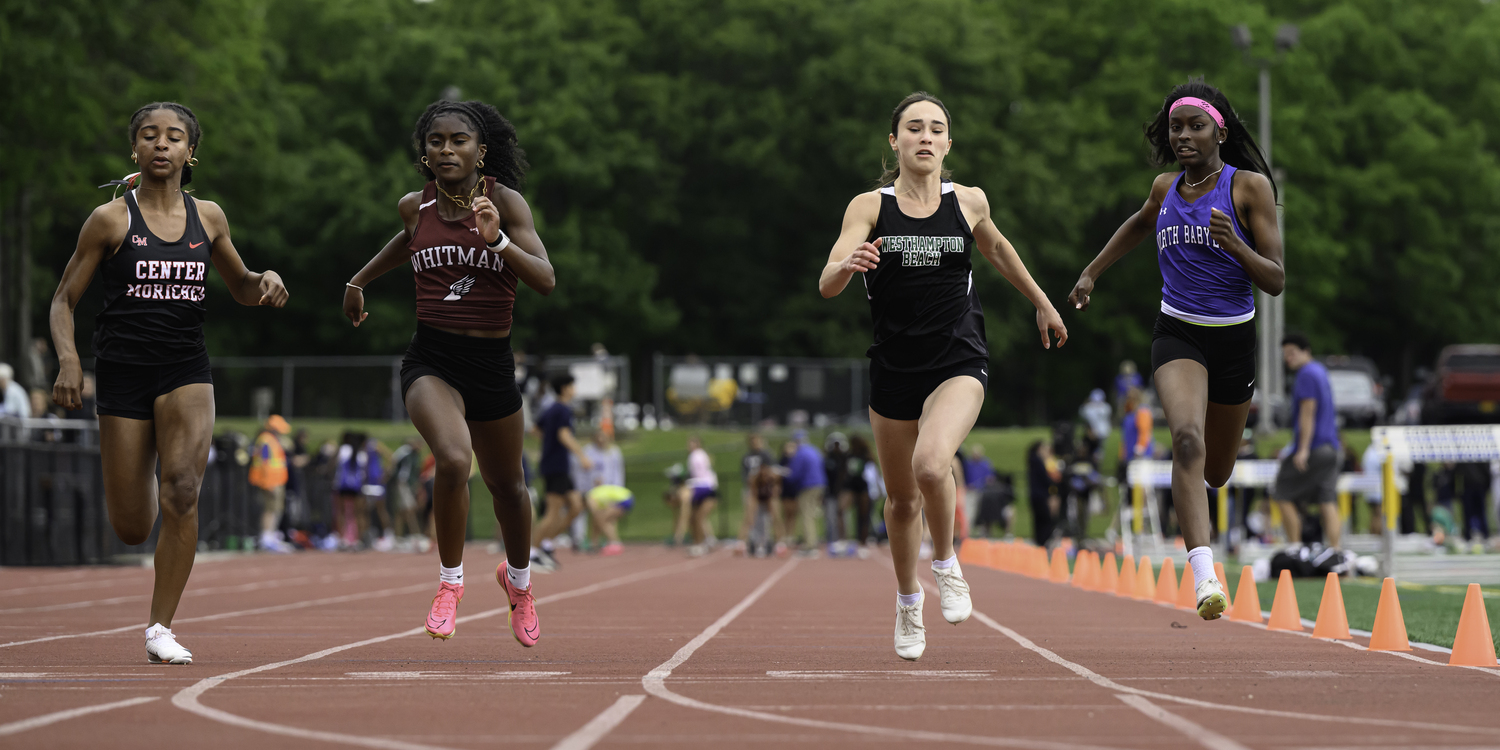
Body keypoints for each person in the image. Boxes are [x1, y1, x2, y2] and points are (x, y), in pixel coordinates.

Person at [819, 92, 1067, 660]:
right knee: (901, 500)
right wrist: (846, 266)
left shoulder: (969, 201)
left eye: (936, 129)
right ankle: (909, 602)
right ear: (895, 141)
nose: (925, 137)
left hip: (959, 359)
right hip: (894, 368)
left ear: (948, 143)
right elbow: (827, 282)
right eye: (914, 128)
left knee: (932, 463)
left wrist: (1042, 302)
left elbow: (999, 250)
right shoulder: (869, 207)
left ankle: (948, 565)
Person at [49, 102, 289, 664]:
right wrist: (68, 359)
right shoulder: (109, 219)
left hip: (185, 369)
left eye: (173, 137)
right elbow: (64, 299)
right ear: (134, 150)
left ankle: (160, 627)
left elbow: (242, 286)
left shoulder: (209, 217)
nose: (161, 144)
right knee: (133, 525)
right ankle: (151, 493)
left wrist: (266, 281)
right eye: (149, 136)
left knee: (183, 489)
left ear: (190, 152)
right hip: (124, 375)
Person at [1068, 79, 1283, 620]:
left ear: (1220, 132)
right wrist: (1092, 272)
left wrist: (1236, 244)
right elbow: (1138, 225)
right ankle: (1205, 576)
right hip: (1177, 332)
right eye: (1175, 127)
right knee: (1186, 440)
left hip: (1233, 337)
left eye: (1196, 126)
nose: (1184, 136)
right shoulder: (1165, 189)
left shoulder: (1248, 188)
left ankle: (1208, 500)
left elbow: (1276, 279)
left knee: (1217, 468)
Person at [342, 99, 551, 645]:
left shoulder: (506, 203)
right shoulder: (415, 207)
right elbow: (406, 242)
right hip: (431, 360)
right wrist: (358, 279)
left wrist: (497, 240)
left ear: (481, 151)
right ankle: (450, 584)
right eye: (436, 142)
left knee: (509, 488)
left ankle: (520, 584)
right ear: (424, 154)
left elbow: (546, 280)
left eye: (459, 140)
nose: (446, 149)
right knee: (454, 459)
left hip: (492, 365)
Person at [1273, 334, 1342, 549]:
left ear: (1306, 351)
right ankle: (1335, 550)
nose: (1288, 359)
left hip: (1314, 446)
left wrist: (1302, 449)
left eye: (1292, 353)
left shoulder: (1306, 375)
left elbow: (1307, 413)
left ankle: (1295, 548)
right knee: (1326, 499)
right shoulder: (1320, 371)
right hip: (1332, 447)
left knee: (1281, 491)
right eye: (1285, 355)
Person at [530, 374, 591, 570]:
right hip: (555, 466)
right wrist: (582, 455)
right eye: (572, 386)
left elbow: (536, 430)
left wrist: (548, 445)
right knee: (552, 513)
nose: (574, 390)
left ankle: (547, 544)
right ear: (565, 388)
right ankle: (531, 553)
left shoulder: (551, 409)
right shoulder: (563, 409)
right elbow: (563, 435)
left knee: (576, 506)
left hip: (558, 466)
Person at [248, 414, 293, 553]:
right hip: (270, 482)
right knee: (270, 509)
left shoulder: (271, 440)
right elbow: (265, 462)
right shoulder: (266, 440)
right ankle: (267, 537)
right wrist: (268, 483)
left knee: (275, 509)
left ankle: (271, 535)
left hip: (276, 480)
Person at [581, 429, 629, 555]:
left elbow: (618, 473)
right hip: (594, 491)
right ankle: (595, 541)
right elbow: (585, 469)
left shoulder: (614, 452)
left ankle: (612, 541)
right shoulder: (588, 451)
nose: (601, 440)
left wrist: (617, 491)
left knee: (607, 517)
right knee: (597, 515)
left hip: (610, 491)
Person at [673, 435, 719, 554]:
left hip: (703, 486)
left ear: (698, 444)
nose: (688, 446)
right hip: (708, 486)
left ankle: (680, 533)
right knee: (699, 517)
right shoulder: (702, 455)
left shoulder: (696, 455)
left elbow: (699, 475)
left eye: (691, 443)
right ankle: (707, 539)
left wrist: (687, 484)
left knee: (685, 500)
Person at [785, 430, 826, 556]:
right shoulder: (814, 450)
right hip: (820, 485)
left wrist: (784, 475)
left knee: (806, 514)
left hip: (807, 486)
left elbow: (794, 473)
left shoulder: (800, 453)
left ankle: (810, 544)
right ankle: (812, 540)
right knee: (812, 514)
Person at [388, 438, 425, 545]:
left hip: (408, 485)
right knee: (410, 509)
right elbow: (394, 460)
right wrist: (395, 475)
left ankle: (398, 536)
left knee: (401, 511)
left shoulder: (415, 455)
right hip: (402, 483)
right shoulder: (405, 451)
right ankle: (416, 535)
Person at [847, 435, 876, 547]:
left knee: (864, 515)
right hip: (853, 488)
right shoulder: (850, 455)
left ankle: (863, 539)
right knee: (855, 515)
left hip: (865, 489)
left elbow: (872, 476)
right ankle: (853, 537)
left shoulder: (866, 457)